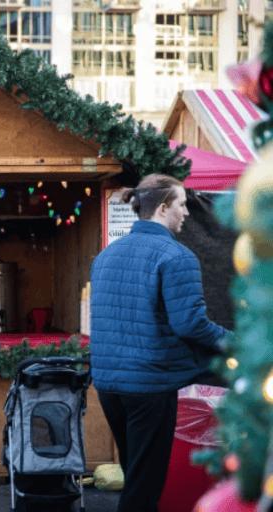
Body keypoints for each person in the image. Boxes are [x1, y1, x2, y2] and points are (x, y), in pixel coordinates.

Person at [90, 174, 231, 512]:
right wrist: (237, 342)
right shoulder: (177, 256)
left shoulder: (106, 256)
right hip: (149, 387)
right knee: (144, 486)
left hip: (109, 385)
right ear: (164, 207)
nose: (186, 212)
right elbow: (191, 325)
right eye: (182, 204)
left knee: (134, 473)